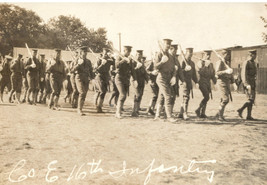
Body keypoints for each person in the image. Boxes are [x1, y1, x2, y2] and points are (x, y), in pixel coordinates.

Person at [154, 39, 177, 122]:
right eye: (166, 44)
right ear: (163, 44)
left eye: (169, 44)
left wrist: (174, 76)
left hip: (168, 79)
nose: (168, 46)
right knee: (168, 96)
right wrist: (161, 62)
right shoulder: (159, 54)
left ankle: (157, 116)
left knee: (162, 97)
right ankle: (169, 116)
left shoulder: (170, 56)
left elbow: (174, 68)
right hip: (161, 78)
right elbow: (155, 67)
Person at [114, 45, 137, 119]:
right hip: (119, 78)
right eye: (127, 51)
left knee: (124, 96)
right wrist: (124, 60)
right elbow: (117, 65)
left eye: (130, 51)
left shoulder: (130, 59)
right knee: (122, 94)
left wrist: (135, 79)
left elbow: (132, 70)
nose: (129, 52)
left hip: (126, 79)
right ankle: (117, 112)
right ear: (124, 51)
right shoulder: (119, 57)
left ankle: (119, 110)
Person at [72, 46, 94, 116]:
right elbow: (72, 70)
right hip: (79, 78)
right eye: (83, 52)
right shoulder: (77, 60)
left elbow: (91, 71)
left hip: (86, 79)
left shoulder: (88, 61)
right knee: (82, 92)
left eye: (86, 52)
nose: (85, 54)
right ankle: (79, 109)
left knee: (84, 94)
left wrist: (93, 78)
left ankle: (80, 107)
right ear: (80, 53)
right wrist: (78, 64)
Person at [178, 48, 198, 120]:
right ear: (186, 53)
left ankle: (181, 113)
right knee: (186, 97)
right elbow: (179, 72)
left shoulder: (192, 63)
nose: (190, 55)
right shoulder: (183, 61)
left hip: (189, 82)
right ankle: (185, 114)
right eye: (189, 53)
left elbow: (194, 74)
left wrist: (196, 82)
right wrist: (185, 70)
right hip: (184, 81)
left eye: (191, 53)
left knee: (185, 97)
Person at [195, 50, 216, 118]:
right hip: (202, 82)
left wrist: (215, 82)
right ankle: (198, 109)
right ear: (203, 55)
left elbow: (212, 74)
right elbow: (200, 73)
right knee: (207, 97)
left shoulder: (211, 64)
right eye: (207, 55)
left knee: (206, 97)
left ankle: (202, 113)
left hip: (208, 83)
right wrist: (205, 66)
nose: (208, 56)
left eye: (209, 55)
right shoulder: (200, 63)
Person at [237, 50, 257, 120]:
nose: (255, 56)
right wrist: (246, 84)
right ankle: (240, 110)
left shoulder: (254, 63)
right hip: (248, 83)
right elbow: (243, 74)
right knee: (250, 99)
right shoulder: (246, 62)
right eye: (254, 55)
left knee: (252, 99)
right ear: (251, 55)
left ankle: (249, 115)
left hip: (253, 83)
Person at [215, 49, 234, 121]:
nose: (229, 56)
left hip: (227, 82)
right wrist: (225, 71)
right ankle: (220, 116)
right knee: (225, 99)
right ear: (224, 54)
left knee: (223, 99)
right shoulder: (220, 62)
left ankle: (218, 114)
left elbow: (230, 73)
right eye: (228, 54)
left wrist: (233, 82)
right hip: (221, 82)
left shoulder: (227, 63)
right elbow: (217, 73)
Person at [94, 48, 115, 113]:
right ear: (103, 53)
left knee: (104, 92)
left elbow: (114, 63)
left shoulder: (109, 60)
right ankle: (98, 106)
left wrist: (113, 58)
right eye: (105, 53)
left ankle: (99, 106)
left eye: (107, 53)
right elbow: (96, 70)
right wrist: (101, 64)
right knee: (102, 91)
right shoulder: (99, 60)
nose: (106, 54)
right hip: (99, 76)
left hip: (106, 77)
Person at [131, 50, 148, 117]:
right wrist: (136, 67)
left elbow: (144, 72)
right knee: (137, 95)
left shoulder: (141, 62)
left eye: (140, 54)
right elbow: (132, 71)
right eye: (138, 54)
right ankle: (134, 111)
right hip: (135, 80)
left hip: (141, 81)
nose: (139, 56)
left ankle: (137, 110)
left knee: (140, 95)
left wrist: (147, 79)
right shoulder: (133, 62)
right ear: (136, 55)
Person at [169, 45, 184, 114]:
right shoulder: (167, 58)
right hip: (168, 81)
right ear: (170, 50)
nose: (175, 52)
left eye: (176, 50)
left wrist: (183, 80)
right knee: (167, 97)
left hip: (175, 81)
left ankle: (170, 112)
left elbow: (180, 71)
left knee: (174, 96)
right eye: (174, 50)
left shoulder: (176, 60)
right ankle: (161, 113)